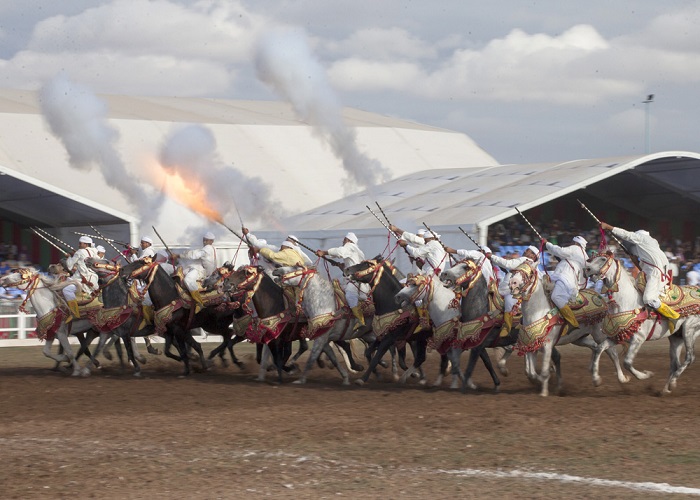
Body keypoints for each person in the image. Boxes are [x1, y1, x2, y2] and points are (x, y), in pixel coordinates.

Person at [600, 222, 680, 329]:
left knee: (648, 299)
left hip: (655, 274)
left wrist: (608, 227)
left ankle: (673, 316)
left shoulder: (643, 239)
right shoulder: (651, 248)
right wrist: (634, 260)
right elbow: (643, 268)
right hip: (654, 273)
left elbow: (627, 235)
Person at [316, 232, 369, 330]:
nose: (343, 241)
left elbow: (340, 252)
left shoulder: (350, 246)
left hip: (356, 281)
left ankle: (360, 320)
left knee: (350, 295)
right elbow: (350, 267)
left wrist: (324, 252)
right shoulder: (353, 249)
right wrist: (341, 266)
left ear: (349, 240)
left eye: (344, 239)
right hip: (351, 279)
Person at [489, 245, 540, 336]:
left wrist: (491, 256)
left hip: (512, 292)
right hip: (514, 291)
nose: (525, 251)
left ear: (533, 256)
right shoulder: (532, 265)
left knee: (508, 300)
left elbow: (507, 264)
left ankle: (506, 327)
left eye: (528, 250)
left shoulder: (524, 260)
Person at [542, 235, 588, 329]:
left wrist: (547, 244)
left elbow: (560, 251)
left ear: (576, 243)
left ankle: (573, 323)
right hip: (569, 279)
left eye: (572, 242)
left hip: (565, 277)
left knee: (556, 297)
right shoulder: (584, 255)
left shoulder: (575, 248)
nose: (571, 244)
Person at [173, 232, 218, 310]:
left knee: (188, 279)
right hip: (207, 271)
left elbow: (194, 255)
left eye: (206, 240)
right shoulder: (213, 248)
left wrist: (178, 255)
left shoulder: (207, 248)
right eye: (204, 240)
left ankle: (199, 302)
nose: (204, 242)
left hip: (204, 271)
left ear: (211, 241)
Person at [62, 235, 100, 320]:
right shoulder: (95, 251)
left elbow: (69, 266)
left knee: (66, 290)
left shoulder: (79, 252)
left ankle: (74, 313)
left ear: (86, 245)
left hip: (82, 280)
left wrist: (69, 257)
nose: (78, 245)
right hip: (94, 279)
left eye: (80, 243)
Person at [242, 228, 313, 268]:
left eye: (284, 245)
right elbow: (259, 244)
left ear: (288, 246)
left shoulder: (288, 253)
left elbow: (273, 256)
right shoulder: (280, 250)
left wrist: (260, 250)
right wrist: (248, 234)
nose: (282, 247)